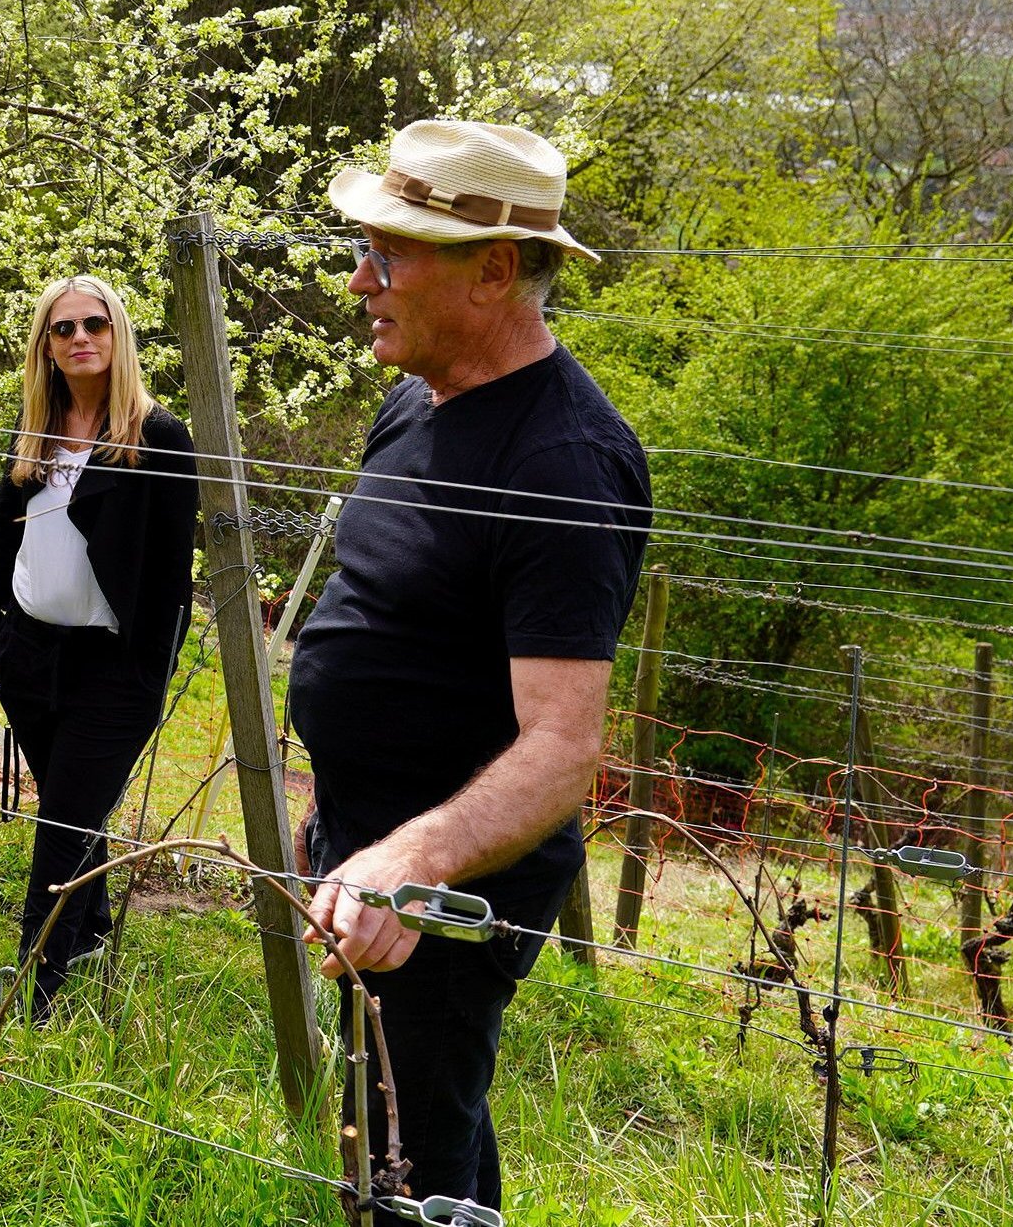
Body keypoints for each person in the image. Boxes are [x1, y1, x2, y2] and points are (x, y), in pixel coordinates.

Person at [289, 119, 652, 1217]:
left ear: (495, 270)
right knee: (385, 1112)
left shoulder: (563, 464)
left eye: (390, 256)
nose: (360, 280)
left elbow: (560, 745)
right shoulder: (417, 398)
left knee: (413, 1145)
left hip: (447, 883)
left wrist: (412, 858)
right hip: (368, 840)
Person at [0, 275, 197, 1020]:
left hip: (112, 666)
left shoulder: (158, 438)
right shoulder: (34, 427)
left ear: (118, 334)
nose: (78, 339)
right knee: (72, 810)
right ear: (45, 345)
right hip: (29, 654)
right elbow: (0, 532)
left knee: (63, 823)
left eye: (92, 324)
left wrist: (148, 672)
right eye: (61, 328)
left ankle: (35, 988)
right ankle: (91, 929)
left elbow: (170, 574)